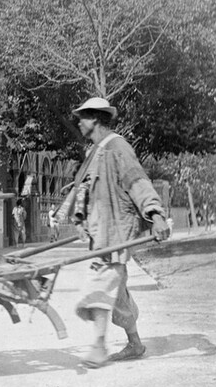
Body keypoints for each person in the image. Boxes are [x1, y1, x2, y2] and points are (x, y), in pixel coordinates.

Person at [68, 97, 171, 368]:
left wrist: (156, 215)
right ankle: (135, 343)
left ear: (96, 119)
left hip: (116, 229)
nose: (78, 122)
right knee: (117, 290)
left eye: (82, 117)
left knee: (102, 284)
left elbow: (138, 182)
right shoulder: (95, 152)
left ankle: (99, 345)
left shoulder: (118, 148)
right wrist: (79, 218)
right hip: (99, 231)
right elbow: (83, 188)